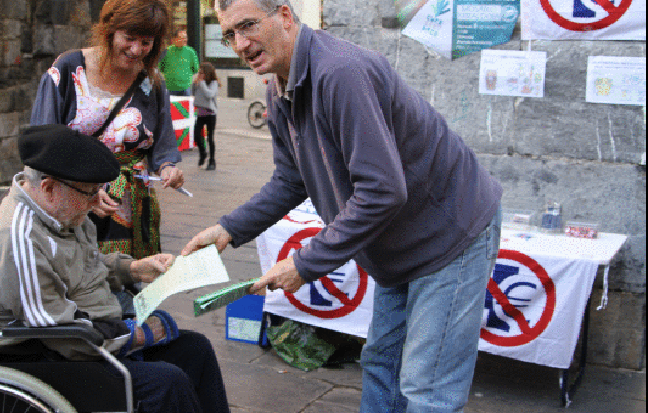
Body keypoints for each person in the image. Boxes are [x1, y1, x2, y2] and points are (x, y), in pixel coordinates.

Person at [181, 1, 503, 412]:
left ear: (283, 15)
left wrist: (304, 264)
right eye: (229, 34)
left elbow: (383, 191)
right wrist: (228, 229)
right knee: (382, 363)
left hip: (449, 234)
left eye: (247, 26)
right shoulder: (277, 89)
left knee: (427, 389)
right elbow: (290, 179)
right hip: (397, 246)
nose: (240, 44)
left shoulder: (340, 72)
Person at [0, 124, 230, 413]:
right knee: (167, 383)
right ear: (48, 187)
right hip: (50, 356)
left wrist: (134, 269)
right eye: (89, 193)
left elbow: (85, 266)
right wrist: (137, 336)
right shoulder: (15, 239)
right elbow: (59, 331)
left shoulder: (60, 211)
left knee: (196, 349)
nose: (98, 201)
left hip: (95, 335)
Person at [30, 0, 184, 263]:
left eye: (146, 42)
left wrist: (169, 168)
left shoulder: (152, 82)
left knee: (129, 280)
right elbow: (41, 143)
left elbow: (163, 145)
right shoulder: (68, 70)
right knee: (77, 281)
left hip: (128, 207)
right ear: (110, 30)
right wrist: (84, 187)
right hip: (70, 199)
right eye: (129, 38)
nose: (137, 50)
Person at [192, 62, 220, 170]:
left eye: (201, 73)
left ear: (207, 73)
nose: (199, 75)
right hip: (200, 113)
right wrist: (195, 84)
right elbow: (194, 94)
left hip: (210, 114)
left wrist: (202, 83)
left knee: (210, 138)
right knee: (196, 135)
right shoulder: (199, 82)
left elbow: (209, 95)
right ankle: (203, 153)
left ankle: (212, 160)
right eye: (198, 73)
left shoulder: (213, 83)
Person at [159, 29, 200, 96]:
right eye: (182, 37)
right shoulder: (166, 51)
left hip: (186, 87)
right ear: (174, 39)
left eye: (186, 37)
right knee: (170, 106)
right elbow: (161, 67)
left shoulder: (191, 52)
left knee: (185, 106)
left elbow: (195, 68)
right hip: (170, 87)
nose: (185, 39)